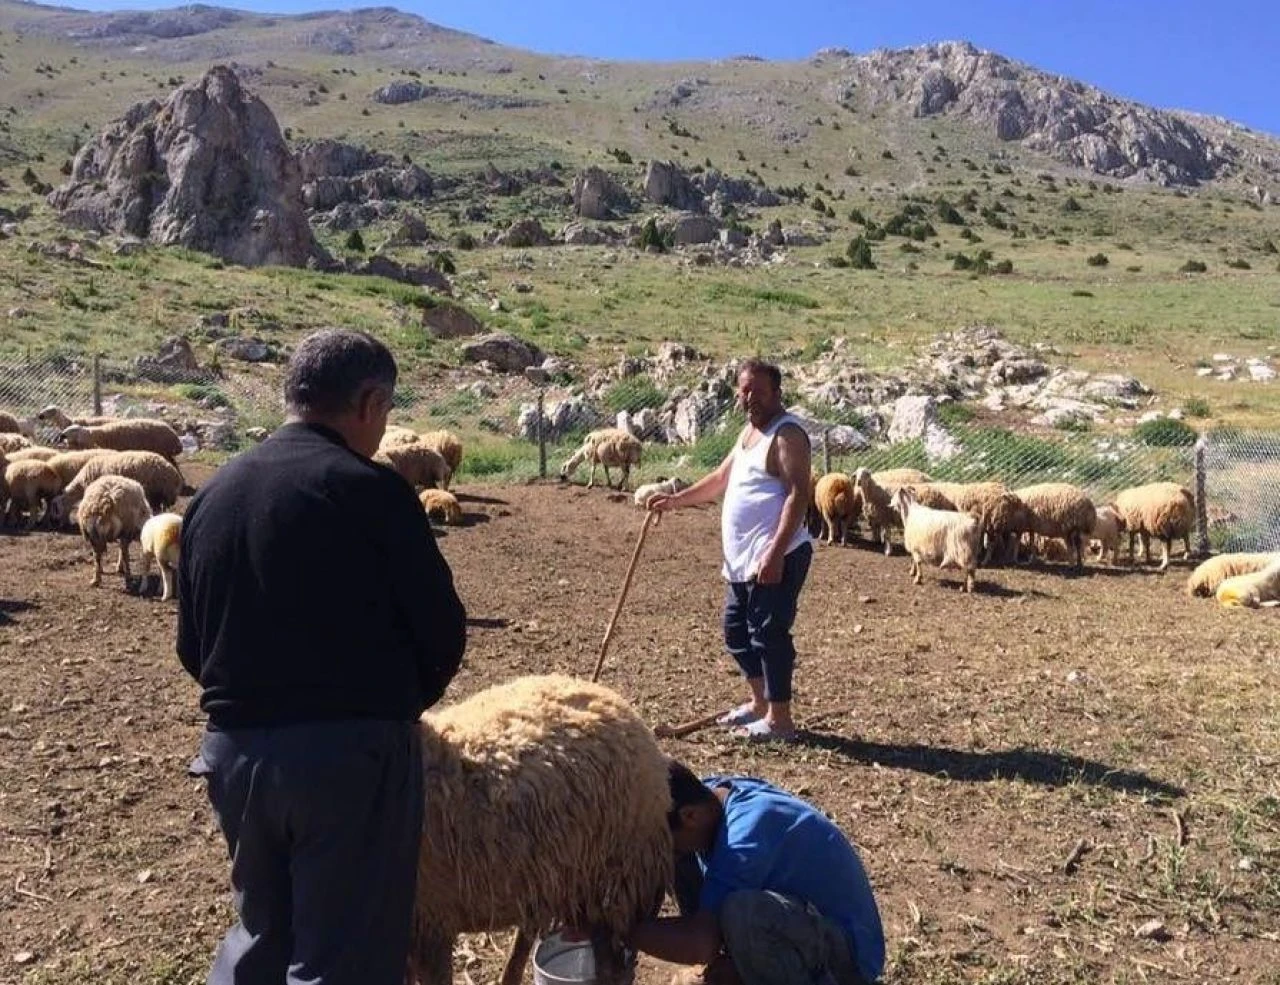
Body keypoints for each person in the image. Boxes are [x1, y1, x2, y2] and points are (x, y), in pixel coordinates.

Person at [177, 328, 467, 985]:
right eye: (386, 412)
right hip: (349, 757)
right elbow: (441, 631)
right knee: (344, 953)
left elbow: (193, 645)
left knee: (260, 934)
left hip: (238, 754)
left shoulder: (214, 495)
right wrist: (386, 710)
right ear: (368, 401)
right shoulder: (373, 492)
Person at [649, 358, 813, 742]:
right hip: (741, 561)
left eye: (756, 390)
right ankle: (759, 704)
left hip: (775, 555)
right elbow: (720, 479)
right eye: (743, 390)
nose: (748, 398)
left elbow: (798, 496)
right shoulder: (748, 434)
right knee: (736, 632)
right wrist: (674, 501)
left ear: (776, 393)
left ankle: (780, 721)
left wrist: (774, 553)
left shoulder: (786, 435)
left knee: (769, 634)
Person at [626, 760, 885, 985]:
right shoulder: (709, 796)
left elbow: (700, 944)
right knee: (679, 858)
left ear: (690, 815)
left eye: (662, 840)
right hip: (796, 925)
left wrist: (615, 929)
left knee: (744, 912)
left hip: (845, 958)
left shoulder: (744, 836)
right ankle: (738, 967)